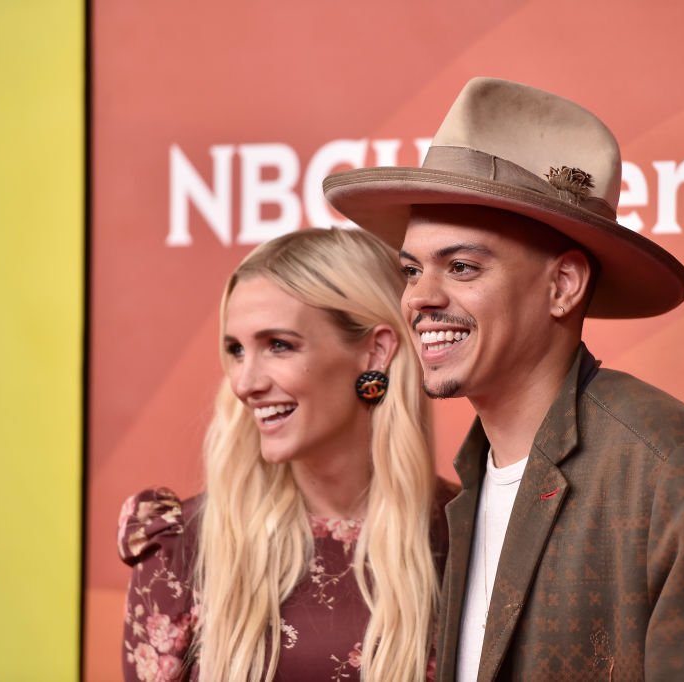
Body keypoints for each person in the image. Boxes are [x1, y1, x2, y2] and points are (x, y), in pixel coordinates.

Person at [323, 77, 684, 681]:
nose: (419, 297)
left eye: (462, 266)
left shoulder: (680, 473)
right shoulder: (465, 483)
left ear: (563, 286)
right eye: (412, 269)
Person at [117, 227, 456, 681]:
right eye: (236, 350)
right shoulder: (183, 550)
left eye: (279, 345)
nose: (244, 382)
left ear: (376, 350)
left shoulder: (466, 538)